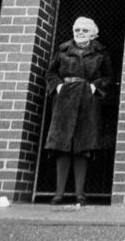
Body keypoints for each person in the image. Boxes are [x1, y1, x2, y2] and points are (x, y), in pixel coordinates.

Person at [45, 16, 113, 206]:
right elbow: (50, 73)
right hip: (64, 99)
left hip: (87, 100)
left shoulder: (101, 52)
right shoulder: (63, 50)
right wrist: (58, 87)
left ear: (93, 33)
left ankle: (79, 193)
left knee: (83, 145)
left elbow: (108, 76)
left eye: (84, 29)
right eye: (77, 29)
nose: (80, 32)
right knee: (62, 145)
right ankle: (59, 193)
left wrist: (94, 88)